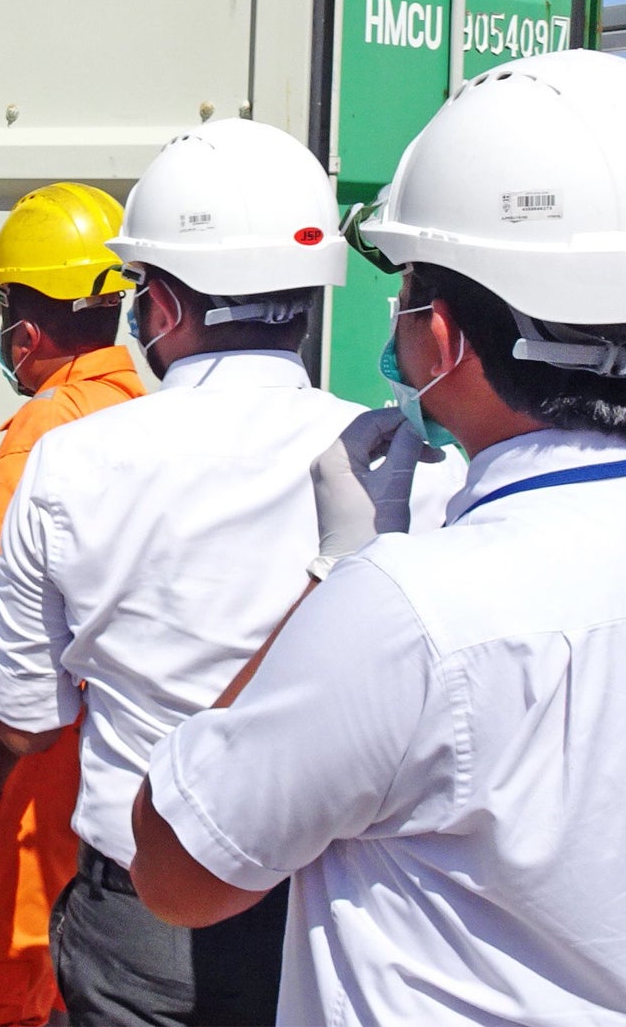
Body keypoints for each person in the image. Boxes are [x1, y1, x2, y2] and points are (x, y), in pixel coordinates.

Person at [131, 49, 626, 1025]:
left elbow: (180, 867)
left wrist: (334, 573)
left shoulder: (406, 608)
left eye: (403, 298)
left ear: (439, 337)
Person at [0, 117, 458, 1026]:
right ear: (315, 294)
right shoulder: (399, 465)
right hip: (334, 913)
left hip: (140, 919)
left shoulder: (69, 465)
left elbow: (29, 722)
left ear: (161, 305)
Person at [0, 185, 143, 1027]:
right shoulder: (137, 413)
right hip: (89, 798)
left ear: (27, 323)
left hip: (14, 800)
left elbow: (12, 634)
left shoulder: (45, 430)